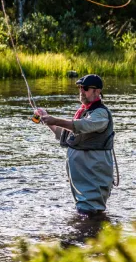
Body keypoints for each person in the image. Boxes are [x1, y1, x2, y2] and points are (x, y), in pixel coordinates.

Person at [35, 74, 115, 216]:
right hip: (82, 181)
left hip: (92, 176)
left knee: (89, 214)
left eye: (85, 88)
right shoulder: (83, 113)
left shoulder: (100, 114)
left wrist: (55, 120)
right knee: (87, 214)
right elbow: (64, 135)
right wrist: (47, 118)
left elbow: (82, 126)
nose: (81, 91)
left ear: (97, 91)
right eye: (80, 88)